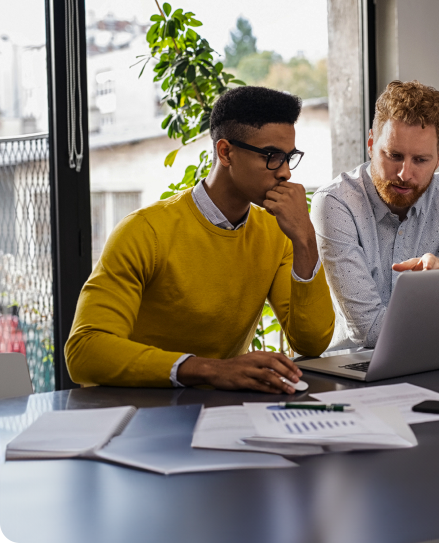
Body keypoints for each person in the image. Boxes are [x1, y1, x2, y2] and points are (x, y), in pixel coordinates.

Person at [65, 86, 334, 391]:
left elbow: (312, 343)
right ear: (226, 152)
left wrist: (305, 240)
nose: (285, 172)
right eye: (272, 156)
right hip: (135, 411)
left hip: (220, 411)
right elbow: (85, 351)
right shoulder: (144, 231)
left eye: (289, 157)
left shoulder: (277, 232)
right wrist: (209, 369)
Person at [312, 80, 439, 349]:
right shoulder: (336, 203)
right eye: (394, 155)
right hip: (352, 369)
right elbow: (368, 331)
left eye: (420, 160)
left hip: (434, 361)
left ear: (438, 158)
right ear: (370, 144)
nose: (404, 174)